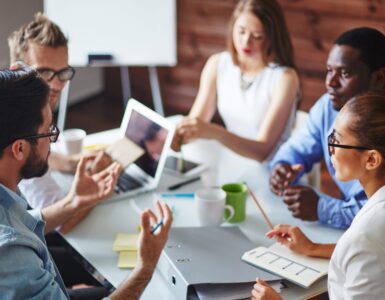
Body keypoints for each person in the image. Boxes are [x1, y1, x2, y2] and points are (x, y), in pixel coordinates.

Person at [0, 66, 173, 299]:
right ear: (19, 148)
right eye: (48, 132)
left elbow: (22, 222)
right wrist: (145, 267)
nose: (53, 140)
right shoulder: (12, 253)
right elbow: (13, 235)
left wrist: (74, 201)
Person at [252, 90, 385, 300]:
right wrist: (313, 248)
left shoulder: (366, 234)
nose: (328, 148)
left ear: (371, 160)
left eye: (336, 140)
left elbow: (366, 247)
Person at [269, 27, 385, 229]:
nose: (330, 83)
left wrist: (323, 209)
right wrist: (283, 166)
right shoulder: (328, 106)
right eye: (329, 70)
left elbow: (379, 217)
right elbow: (298, 146)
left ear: (379, 78)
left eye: (345, 73)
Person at [8, 12, 113, 213]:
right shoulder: (21, 127)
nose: (57, 85)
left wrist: (71, 162)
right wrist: (96, 187)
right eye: (45, 72)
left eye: (63, 73)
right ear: (17, 71)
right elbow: (55, 217)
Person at [173, 0, 299, 162]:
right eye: (241, 31)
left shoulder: (285, 78)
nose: (246, 42)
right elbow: (197, 123)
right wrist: (179, 136)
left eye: (257, 36)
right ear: (232, 27)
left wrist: (215, 132)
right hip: (233, 160)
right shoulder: (218, 63)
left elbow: (262, 151)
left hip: (274, 169)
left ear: (271, 37)